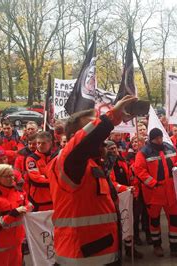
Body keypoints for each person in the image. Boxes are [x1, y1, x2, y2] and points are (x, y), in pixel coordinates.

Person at [47, 95, 137, 265]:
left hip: (102, 254)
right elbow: (84, 142)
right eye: (92, 127)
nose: (102, 137)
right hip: (81, 258)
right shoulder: (67, 164)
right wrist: (112, 117)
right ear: (76, 137)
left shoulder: (92, 165)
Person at [135, 128, 177, 258]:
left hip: (171, 192)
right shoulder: (143, 152)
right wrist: (153, 183)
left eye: (160, 137)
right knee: (154, 221)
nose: (159, 140)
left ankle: (175, 247)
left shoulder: (169, 148)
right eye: (156, 138)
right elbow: (139, 170)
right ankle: (157, 246)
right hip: (154, 193)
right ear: (151, 139)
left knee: (174, 220)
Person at [0, 164, 32, 266]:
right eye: (7, 176)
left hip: (16, 243)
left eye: (12, 175)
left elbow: (29, 206)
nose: (11, 178)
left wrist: (25, 209)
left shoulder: (19, 192)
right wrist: (13, 214)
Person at [25, 131, 55, 211]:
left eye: (43, 143)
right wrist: (53, 180)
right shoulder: (31, 159)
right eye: (38, 143)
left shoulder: (55, 157)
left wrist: (45, 177)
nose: (40, 146)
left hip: (54, 198)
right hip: (38, 200)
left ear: (50, 143)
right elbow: (36, 179)